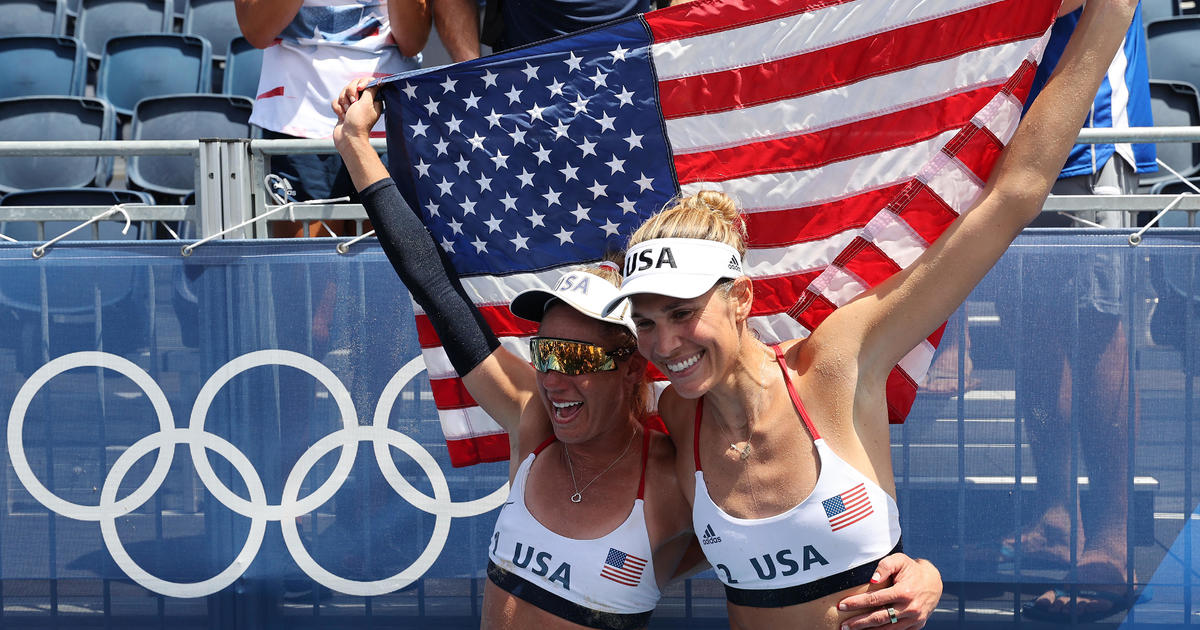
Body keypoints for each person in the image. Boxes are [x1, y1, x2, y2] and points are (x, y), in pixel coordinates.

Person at [599, 0, 1141, 627]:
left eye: (682, 313)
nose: (664, 343)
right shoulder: (677, 416)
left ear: (739, 297)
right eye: (645, 322)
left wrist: (1113, 14)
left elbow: (1012, 198)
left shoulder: (835, 364)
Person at [332, 80, 944, 629]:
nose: (551, 377)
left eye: (576, 359)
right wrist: (357, 148)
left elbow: (785, 540)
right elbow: (437, 292)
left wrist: (914, 567)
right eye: (544, 352)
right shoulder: (532, 424)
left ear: (630, 369)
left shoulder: (674, 473)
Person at [997, 0, 1153, 622]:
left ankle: (1112, 544)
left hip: (1090, 136)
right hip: (1010, 134)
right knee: (1031, 340)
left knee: (1096, 336)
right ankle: (1057, 517)